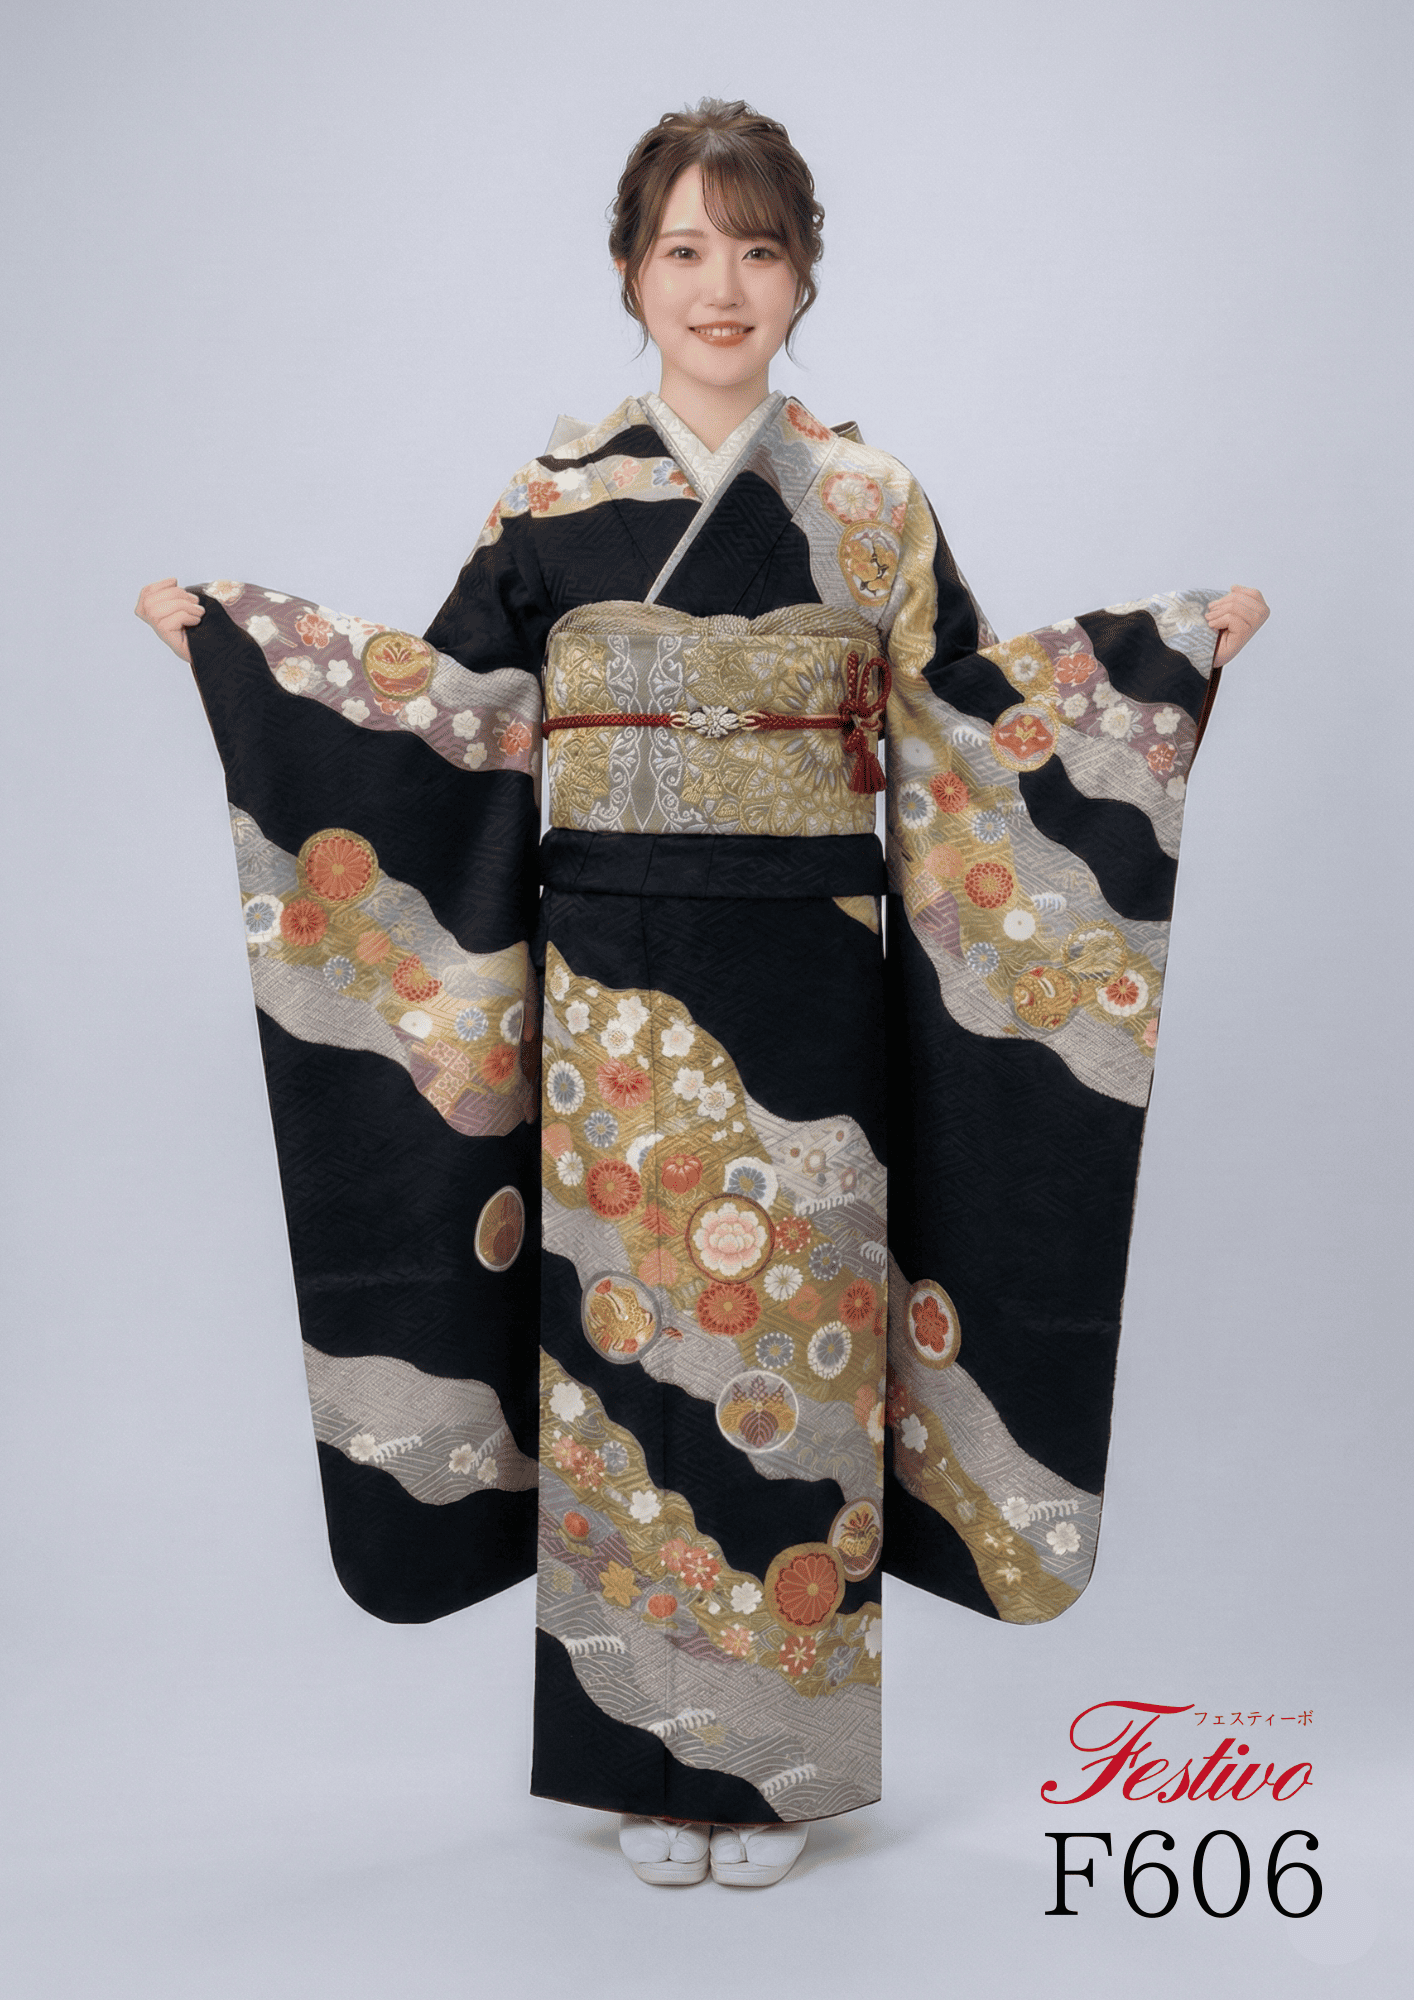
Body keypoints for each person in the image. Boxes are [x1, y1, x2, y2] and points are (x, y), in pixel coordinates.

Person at [136, 100, 1268, 1891]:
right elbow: (442, 722)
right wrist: (245, 646)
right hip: (603, 1000)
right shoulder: (553, 503)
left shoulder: (871, 504)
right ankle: (644, 1764)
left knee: (792, 1362)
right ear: (628, 273)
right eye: (683, 248)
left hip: (810, 992)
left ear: (802, 273)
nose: (719, 284)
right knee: (620, 1365)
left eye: (755, 248)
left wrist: (1163, 656)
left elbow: (975, 732)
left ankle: (775, 1777)